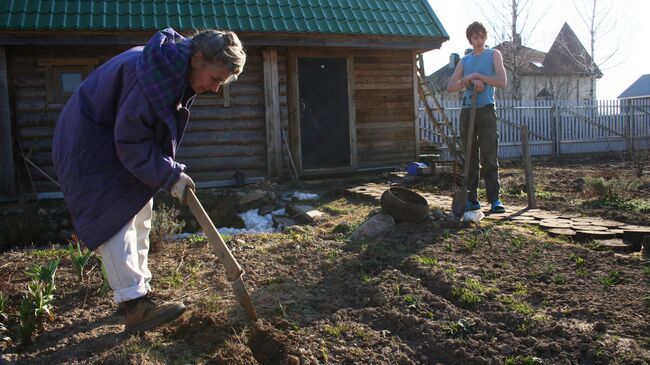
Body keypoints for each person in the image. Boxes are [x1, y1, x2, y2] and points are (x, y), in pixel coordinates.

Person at [52, 28, 246, 334]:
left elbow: (140, 133)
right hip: (89, 147)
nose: (215, 88)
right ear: (197, 59)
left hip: (111, 142)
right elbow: (130, 142)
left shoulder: (168, 69)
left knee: (140, 211)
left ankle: (138, 295)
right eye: (216, 79)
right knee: (117, 220)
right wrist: (169, 174)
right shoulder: (153, 76)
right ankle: (135, 306)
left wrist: (170, 172)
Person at [447, 21, 507, 213]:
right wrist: (468, 80)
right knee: (470, 156)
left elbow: (502, 82)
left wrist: (478, 77)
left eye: (482, 36)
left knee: (489, 155)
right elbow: (450, 86)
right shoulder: (465, 60)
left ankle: (495, 199)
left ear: (485, 38)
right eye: (475, 37)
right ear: (470, 39)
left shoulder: (494, 55)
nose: (479, 40)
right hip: (467, 110)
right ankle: (472, 198)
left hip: (486, 110)